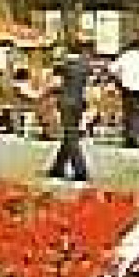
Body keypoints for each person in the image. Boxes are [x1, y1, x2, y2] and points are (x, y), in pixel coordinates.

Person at [47, 44, 93, 183]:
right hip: (79, 102)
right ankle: (58, 167)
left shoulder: (65, 64)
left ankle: (80, 170)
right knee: (70, 134)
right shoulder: (85, 65)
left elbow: (54, 79)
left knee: (71, 136)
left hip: (66, 102)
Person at [113, 35, 139, 149]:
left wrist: (120, 79)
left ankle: (130, 138)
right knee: (138, 113)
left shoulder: (125, 56)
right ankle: (134, 136)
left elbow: (113, 69)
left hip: (127, 88)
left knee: (129, 113)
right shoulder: (137, 56)